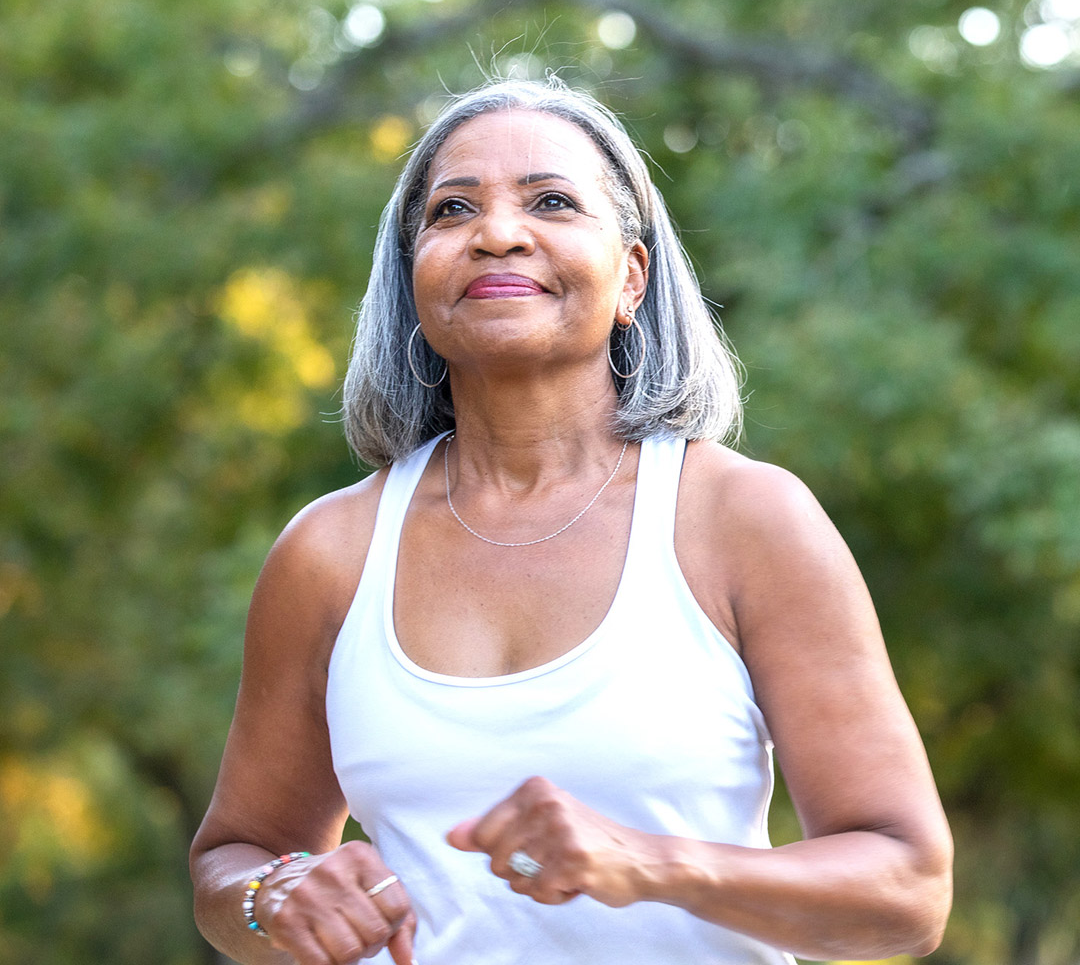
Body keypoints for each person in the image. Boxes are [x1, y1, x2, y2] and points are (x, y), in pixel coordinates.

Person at [190, 77, 953, 965]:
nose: (498, 232)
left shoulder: (742, 519)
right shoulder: (329, 552)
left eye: (551, 201)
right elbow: (229, 860)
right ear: (414, 279)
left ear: (631, 275)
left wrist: (652, 862)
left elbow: (907, 893)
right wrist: (271, 896)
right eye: (452, 210)